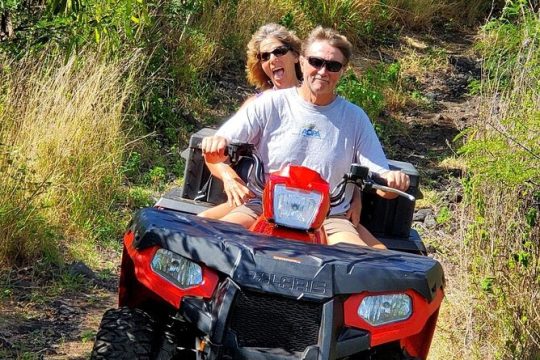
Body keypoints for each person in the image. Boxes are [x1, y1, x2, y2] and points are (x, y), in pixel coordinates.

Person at [201, 26, 410, 249]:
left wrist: (393, 181)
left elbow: (380, 176)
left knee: (357, 263)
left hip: (330, 217)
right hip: (263, 205)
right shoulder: (270, 103)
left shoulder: (355, 118)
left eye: (333, 66)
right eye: (316, 62)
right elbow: (223, 139)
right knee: (216, 244)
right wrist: (216, 143)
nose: (322, 71)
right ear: (302, 61)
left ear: (343, 71)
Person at [198, 23, 302, 219]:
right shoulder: (257, 104)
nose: (272, 59)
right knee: (196, 228)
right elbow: (214, 151)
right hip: (258, 198)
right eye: (265, 56)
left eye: (279, 51)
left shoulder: (318, 100)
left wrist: (355, 197)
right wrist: (230, 179)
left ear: (296, 56)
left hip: (307, 201)